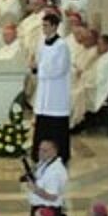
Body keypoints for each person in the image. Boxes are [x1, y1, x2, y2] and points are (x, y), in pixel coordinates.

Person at [32, 12, 73, 164]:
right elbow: (39, 61)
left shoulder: (61, 46)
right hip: (44, 90)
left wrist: (39, 68)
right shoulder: (42, 43)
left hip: (56, 91)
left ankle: (59, 153)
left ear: (55, 26)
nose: (44, 28)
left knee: (56, 123)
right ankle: (40, 154)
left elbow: (60, 69)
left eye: (47, 25)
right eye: (43, 25)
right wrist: (35, 66)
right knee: (42, 121)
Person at [24, 139, 69, 216]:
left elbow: (52, 197)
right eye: (39, 149)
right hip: (40, 208)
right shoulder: (45, 162)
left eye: (45, 151)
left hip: (47, 211)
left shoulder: (55, 171)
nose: (40, 153)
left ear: (54, 152)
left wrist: (34, 189)